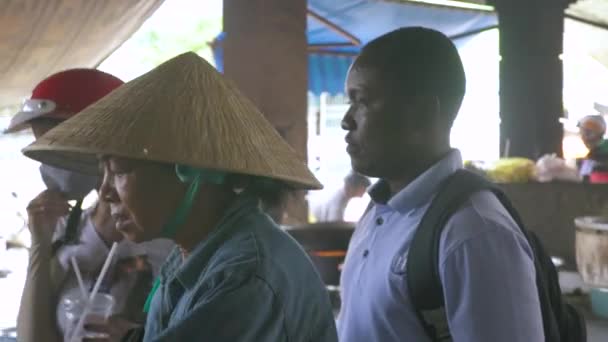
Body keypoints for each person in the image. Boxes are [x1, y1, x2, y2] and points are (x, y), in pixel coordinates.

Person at [23, 52, 338, 341]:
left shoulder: (243, 277)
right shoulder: (190, 252)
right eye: (102, 172)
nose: (106, 192)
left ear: (189, 172)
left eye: (118, 171)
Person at [337, 27, 544, 341]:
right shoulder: (379, 210)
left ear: (420, 115)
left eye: (361, 101)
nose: (346, 120)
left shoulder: (474, 233)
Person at [7, 69, 173, 342]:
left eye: (57, 147)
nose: (50, 164)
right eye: (41, 149)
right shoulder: (65, 228)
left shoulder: (171, 237)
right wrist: (40, 244)